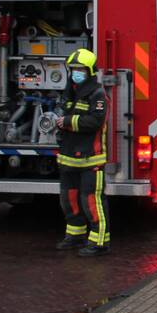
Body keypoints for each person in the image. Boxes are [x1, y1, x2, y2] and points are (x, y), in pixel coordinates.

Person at [54, 48, 110, 257]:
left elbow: (95, 121)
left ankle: (100, 242)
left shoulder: (97, 94)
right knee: (68, 198)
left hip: (91, 158)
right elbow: (62, 109)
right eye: (73, 69)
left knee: (92, 201)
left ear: (89, 71)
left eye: (80, 69)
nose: (76, 73)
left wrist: (67, 121)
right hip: (69, 156)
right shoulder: (70, 90)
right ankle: (75, 235)